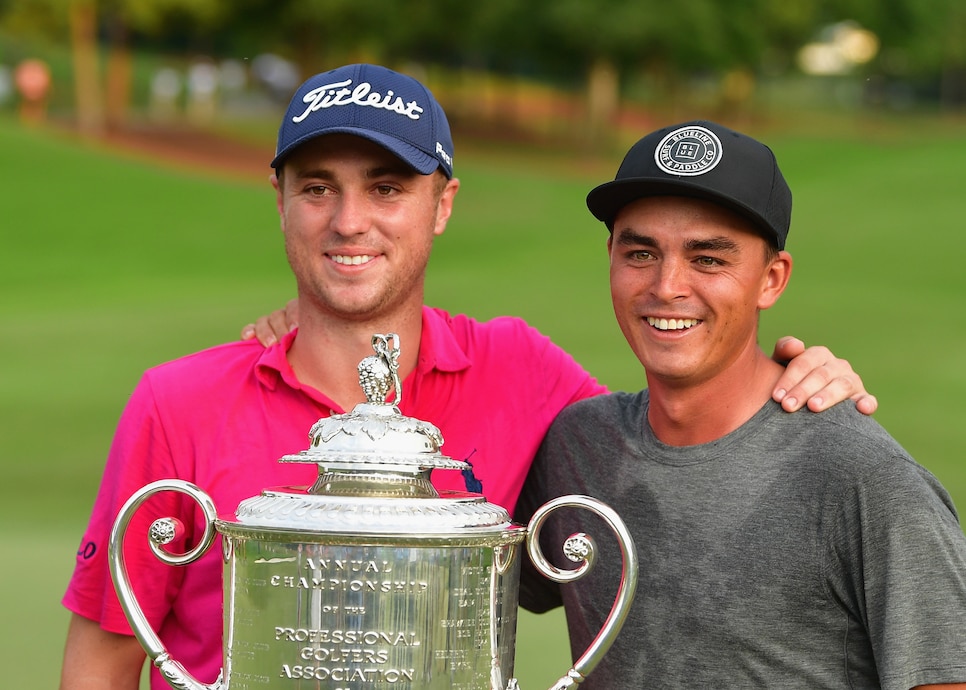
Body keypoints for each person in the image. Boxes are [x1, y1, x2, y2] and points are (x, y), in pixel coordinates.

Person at [58, 64, 873, 690]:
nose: (349, 222)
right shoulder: (179, 400)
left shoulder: (523, 372)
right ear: (279, 200)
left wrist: (797, 373)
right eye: (317, 189)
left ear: (442, 204)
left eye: (386, 189)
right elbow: (102, 657)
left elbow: (676, 436)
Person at [514, 120, 966, 688]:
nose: (667, 286)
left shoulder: (865, 478)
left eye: (708, 259)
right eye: (641, 252)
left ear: (771, 279)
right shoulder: (577, 448)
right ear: (611, 256)